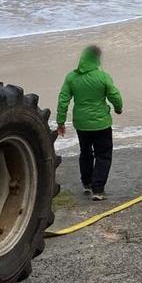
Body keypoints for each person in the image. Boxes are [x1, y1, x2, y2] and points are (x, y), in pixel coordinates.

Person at [56, 45, 123, 201]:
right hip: (102, 124)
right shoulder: (103, 77)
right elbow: (115, 95)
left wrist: (60, 121)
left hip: (81, 124)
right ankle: (98, 190)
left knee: (85, 153)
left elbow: (63, 100)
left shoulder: (71, 77)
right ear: (97, 60)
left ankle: (86, 184)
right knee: (103, 155)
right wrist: (118, 108)